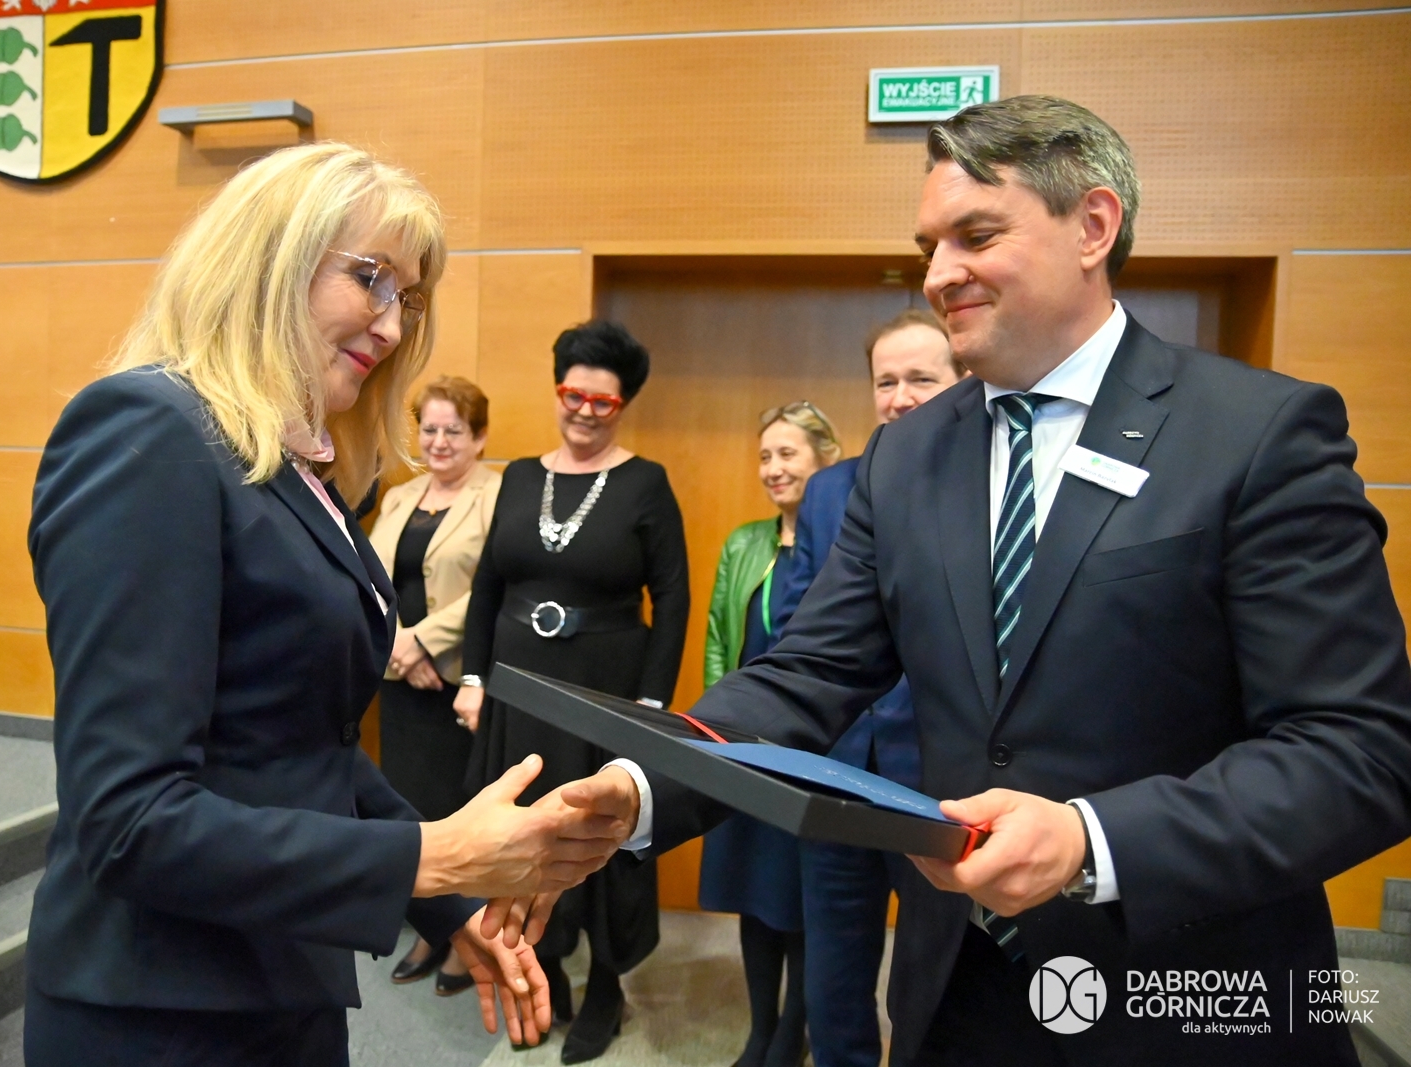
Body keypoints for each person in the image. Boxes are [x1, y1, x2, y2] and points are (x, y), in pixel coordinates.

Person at [578, 95, 1411, 1066]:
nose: (937, 274)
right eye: (929, 246)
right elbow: (809, 674)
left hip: (1187, 996)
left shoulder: (1256, 432)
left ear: (1092, 225)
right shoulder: (906, 457)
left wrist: (1092, 839)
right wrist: (638, 785)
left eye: (975, 236)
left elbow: (1360, 750)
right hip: (959, 985)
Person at [22, 143, 632, 1067]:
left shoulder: (286, 463)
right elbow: (129, 819)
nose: (390, 326)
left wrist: (447, 902)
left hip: (275, 975)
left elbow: (306, 748)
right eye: (370, 278)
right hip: (160, 1011)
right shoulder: (148, 430)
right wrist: (432, 856)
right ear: (267, 260)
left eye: (408, 298)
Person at [456, 319, 690, 1064]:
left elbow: (673, 599)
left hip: (606, 691)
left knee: (600, 834)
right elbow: (488, 585)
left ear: (623, 405)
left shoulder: (646, 482)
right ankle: (546, 968)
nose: (585, 411)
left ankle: (607, 986)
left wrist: (652, 705)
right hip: (519, 685)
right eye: (573, 395)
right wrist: (473, 675)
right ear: (557, 391)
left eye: (603, 401)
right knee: (525, 827)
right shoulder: (522, 476)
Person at [778, 309, 965, 1067]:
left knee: (931, 980)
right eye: (885, 381)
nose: (900, 396)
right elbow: (798, 621)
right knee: (833, 973)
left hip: (940, 784)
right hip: (838, 773)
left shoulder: (992, 485)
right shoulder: (828, 491)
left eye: (922, 378)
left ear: (964, 381)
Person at [701, 401, 842, 1067]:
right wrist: (716, 732)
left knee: (806, 896)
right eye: (765, 456)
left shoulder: (846, 543)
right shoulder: (743, 542)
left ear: (825, 459)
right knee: (753, 894)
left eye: (788, 454)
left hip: (816, 750)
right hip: (747, 744)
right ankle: (761, 1028)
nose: (773, 468)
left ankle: (794, 1031)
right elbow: (718, 641)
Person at [367, 375, 502, 995]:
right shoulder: (400, 497)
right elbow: (369, 579)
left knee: (458, 811)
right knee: (411, 808)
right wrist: (400, 648)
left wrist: (422, 641)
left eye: (454, 430)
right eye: (430, 428)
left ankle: (464, 936)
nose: (440, 441)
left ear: (479, 436)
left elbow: (492, 590)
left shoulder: (497, 496)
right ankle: (431, 926)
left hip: (459, 681)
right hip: (401, 680)